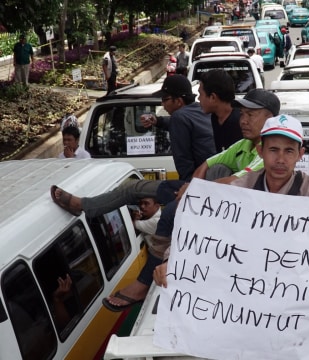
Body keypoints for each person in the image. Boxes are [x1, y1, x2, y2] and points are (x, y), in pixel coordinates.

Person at [153, 114, 309, 300]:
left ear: (300, 154)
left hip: (298, 296)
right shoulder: (239, 190)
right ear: (260, 151)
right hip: (247, 296)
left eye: (288, 151)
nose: (280, 159)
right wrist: (171, 260)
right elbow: (198, 229)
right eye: (273, 150)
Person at [50, 89, 279, 252]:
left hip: (235, 224)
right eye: (243, 114)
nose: (243, 120)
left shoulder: (269, 156)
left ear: (271, 120)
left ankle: (150, 272)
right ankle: (83, 205)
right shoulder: (244, 144)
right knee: (134, 188)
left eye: (251, 115)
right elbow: (207, 164)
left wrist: (193, 189)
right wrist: (192, 186)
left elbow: (236, 181)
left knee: (170, 215)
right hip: (204, 194)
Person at [140, 74, 215, 181]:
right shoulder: (200, 109)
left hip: (198, 182)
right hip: (213, 176)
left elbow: (183, 161)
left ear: (179, 101)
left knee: (132, 190)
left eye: (165, 99)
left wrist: (187, 187)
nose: (162, 104)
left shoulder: (178, 117)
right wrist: (158, 120)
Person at [102, 197, 162, 311]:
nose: (142, 207)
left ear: (157, 205)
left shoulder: (156, 222)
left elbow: (135, 225)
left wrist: (135, 218)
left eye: (146, 204)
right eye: (140, 203)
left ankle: (140, 291)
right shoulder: (153, 217)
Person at [198, 70, 243, 153]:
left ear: (213, 97)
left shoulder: (240, 121)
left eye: (200, 94)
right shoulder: (215, 117)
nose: (198, 99)